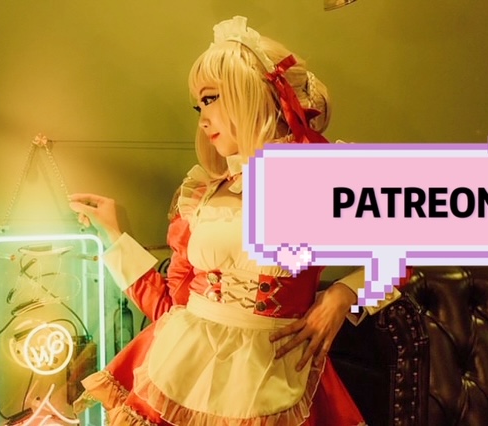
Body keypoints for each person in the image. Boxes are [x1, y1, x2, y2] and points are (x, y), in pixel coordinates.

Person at [69, 15, 370, 426]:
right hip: (178, 371)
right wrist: (115, 236)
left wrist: (343, 295)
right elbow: (171, 308)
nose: (202, 118)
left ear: (252, 94)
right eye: (199, 105)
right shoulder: (201, 195)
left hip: (273, 380)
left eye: (210, 99)